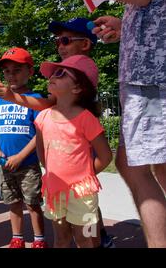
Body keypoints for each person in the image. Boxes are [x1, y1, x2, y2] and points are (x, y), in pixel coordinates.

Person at [39, 0, 166, 248]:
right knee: (134, 164)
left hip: (153, 75)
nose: (60, 47)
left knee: (153, 166)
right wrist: (130, 27)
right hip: (147, 74)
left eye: (66, 41)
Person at [34, 55, 112, 248]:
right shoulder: (43, 117)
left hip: (83, 194)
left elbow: (105, 156)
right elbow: (42, 154)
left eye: (60, 73)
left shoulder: (86, 118)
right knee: (61, 239)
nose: (52, 76)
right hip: (54, 191)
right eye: (52, 73)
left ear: (77, 88)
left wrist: (86, 175)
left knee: (88, 237)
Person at [0, 47, 47, 248]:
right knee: (12, 203)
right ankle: (17, 238)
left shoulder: (35, 99)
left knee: (33, 204)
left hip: (28, 164)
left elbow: (40, 133)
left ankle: (39, 240)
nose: (11, 75)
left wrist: (21, 156)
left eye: (17, 70)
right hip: (5, 165)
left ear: (30, 72)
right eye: (7, 71)